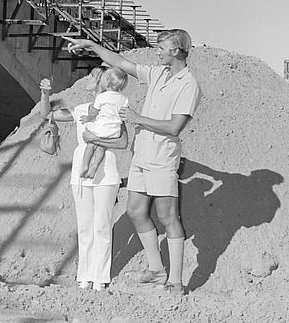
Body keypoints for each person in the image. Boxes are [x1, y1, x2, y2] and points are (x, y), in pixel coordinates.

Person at [65, 29, 201, 297]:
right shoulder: (158, 73)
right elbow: (120, 63)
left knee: (167, 216)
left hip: (162, 158)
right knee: (136, 213)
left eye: (161, 48)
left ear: (175, 51)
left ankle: (175, 281)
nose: (156, 52)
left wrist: (138, 118)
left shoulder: (189, 85)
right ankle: (156, 269)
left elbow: (175, 127)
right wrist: (92, 44)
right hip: (141, 155)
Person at [39, 68, 128, 292]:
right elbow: (46, 114)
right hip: (81, 172)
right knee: (85, 226)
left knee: (102, 226)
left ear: (100, 81)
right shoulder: (79, 110)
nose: (86, 80)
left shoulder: (114, 108)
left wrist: (95, 138)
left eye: (91, 76)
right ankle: (84, 276)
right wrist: (45, 94)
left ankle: (100, 277)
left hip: (106, 173)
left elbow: (123, 142)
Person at [80, 67, 129, 180]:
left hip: (101, 127)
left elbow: (94, 113)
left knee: (90, 144)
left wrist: (88, 118)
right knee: (101, 147)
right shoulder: (124, 99)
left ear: (107, 80)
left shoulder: (102, 97)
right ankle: (94, 166)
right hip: (114, 130)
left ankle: (85, 165)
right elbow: (125, 113)